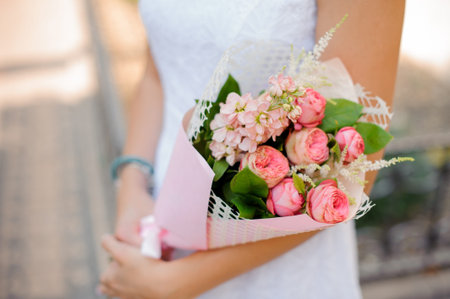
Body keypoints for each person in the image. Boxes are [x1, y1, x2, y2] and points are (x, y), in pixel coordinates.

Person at [98, 1, 405, 298]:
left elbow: (353, 169)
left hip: (276, 264)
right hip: (157, 230)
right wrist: (132, 184)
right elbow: (156, 76)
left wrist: (176, 283)